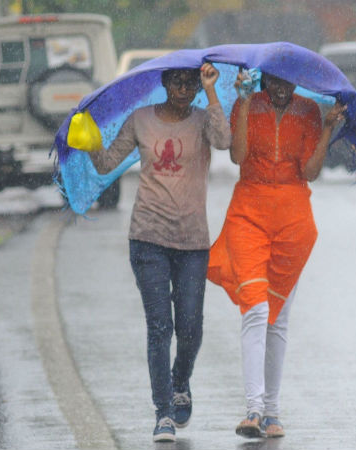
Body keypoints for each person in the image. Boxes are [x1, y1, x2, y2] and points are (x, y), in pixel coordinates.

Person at [85, 63, 231, 442]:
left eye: (191, 83)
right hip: (148, 237)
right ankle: (163, 412)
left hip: (192, 241)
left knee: (190, 326)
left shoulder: (202, 119)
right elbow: (105, 163)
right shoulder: (140, 119)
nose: (183, 88)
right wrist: (89, 140)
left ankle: (180, 379)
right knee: (159, 327)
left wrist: (212, 91)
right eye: (177, 81)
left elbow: (225, 141)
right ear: (164, 83)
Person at [207, 70, 346, 439]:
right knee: (254, 308)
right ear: (264, 80)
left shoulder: (309, 111)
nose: (281, 88)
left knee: (277, 318)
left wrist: (329, 128)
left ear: (295, 82)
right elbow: (238, 156)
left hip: (292, 217)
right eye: (274, 81)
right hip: (248, 211)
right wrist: (248, 101)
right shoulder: (246, 103)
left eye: (288, 81)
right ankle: (253, 409)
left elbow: (310, 172)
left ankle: (272, 411)